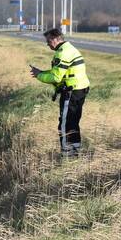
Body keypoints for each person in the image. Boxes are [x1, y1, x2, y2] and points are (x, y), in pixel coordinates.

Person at [29, 28, 90, 156]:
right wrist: (41, 72)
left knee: (65, 124)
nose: (47, 44)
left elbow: (56, 77)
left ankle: (67, 154)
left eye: (48, 41)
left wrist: (39, 76)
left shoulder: (62, 53)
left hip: (71, 92)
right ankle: (74, 152)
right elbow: (58, 72)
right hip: (79, 90)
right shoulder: (68, 49)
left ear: (55, 39)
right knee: (73, 122)